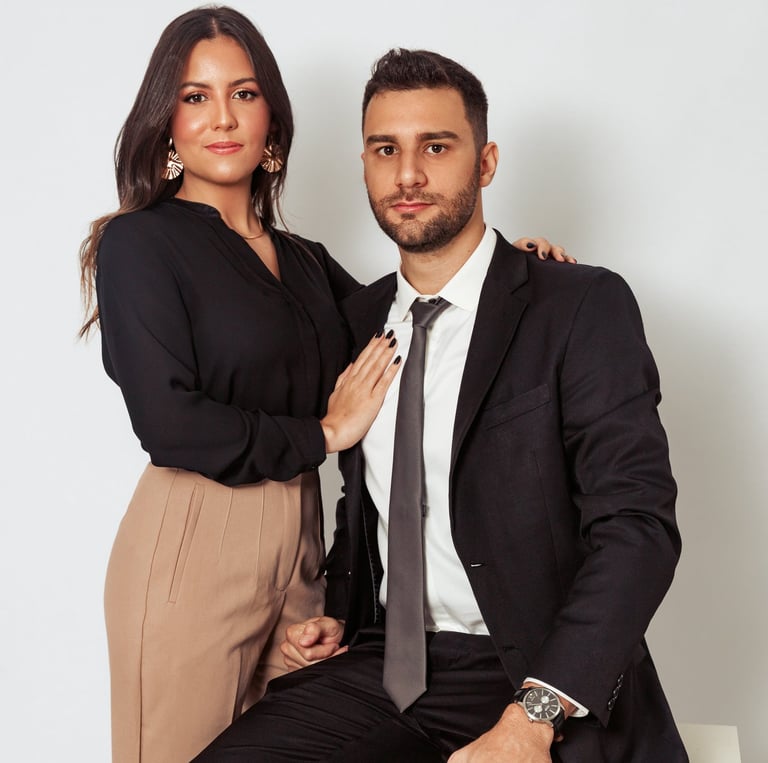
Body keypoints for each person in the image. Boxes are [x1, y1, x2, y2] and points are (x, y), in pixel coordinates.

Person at [79, 8, 568, 761]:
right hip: (193, 540)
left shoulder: (303, 260)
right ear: (165, 122)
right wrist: (325, 433)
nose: (222, 117)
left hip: (300, 552)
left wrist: (514, 276)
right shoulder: (141, 243)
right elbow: (168, 422)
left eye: (244, 94)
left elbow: (406, 323)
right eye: (195, 96)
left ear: (271, 118)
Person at [193, 48, 687, 763]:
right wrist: (338, 612)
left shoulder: (576, 306)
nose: (408, 175)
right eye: (385, 149)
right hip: (389, 665)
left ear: (485, 162)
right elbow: (367, 497)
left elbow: (637, 528)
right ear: (364, 165)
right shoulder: (356, 321)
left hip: (539, 670)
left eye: (436, 147)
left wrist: (535, 715)